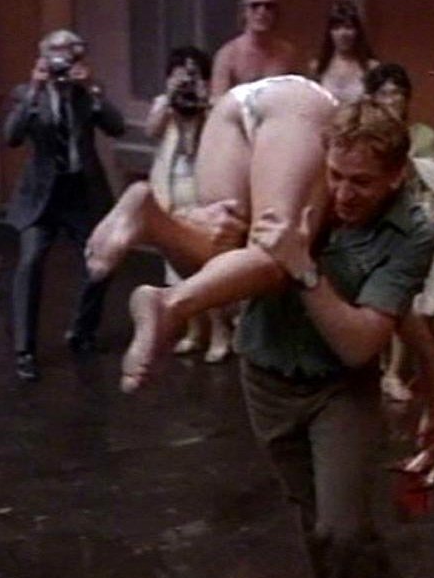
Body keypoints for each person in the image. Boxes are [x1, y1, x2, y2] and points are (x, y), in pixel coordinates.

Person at [241, 101, 434, 578]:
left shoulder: (412, 232)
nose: (344, 194)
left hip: (340, 387)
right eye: (336, 176)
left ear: (395, 176)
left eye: (362, 182)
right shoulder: (304, 184)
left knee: (341, 529)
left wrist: (304, 269)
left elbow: (361, 344)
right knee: (319, 525)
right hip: (267, 376)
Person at [85, 74, 338, 392]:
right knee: (281, 252)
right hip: (298, 106)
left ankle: (153, 218)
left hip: (233, 108)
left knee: (222, 253)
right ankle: (169, 303)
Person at [4, 29, 125, 381]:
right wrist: (35, 90)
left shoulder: (86, 92)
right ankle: (24, 350)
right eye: (55, 53)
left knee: (101, 262)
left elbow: (116, 127)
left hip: (80, 191)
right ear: (43, 57)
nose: (61, 61)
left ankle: (82, 331)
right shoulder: (27, 93)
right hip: (41, 195)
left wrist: (93, 90)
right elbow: (11, 137)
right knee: (30, 262)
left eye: (69, 54)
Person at [364, 63, 434, 409]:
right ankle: (380, 364)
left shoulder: (424, 136)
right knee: (375, 297)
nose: (392, 99)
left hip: (410, 223)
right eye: (384, 93)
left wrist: (411, 163)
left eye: (397, 92)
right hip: (373, 223)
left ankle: (394, 372)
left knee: (404, 299)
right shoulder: (367, 135)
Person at [145, 45, 232, 364]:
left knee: (208, 267)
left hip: (202, 190)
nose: (186, 80)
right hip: (171, 192)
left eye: (193, 73)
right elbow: (152, 131)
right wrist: (170, 99)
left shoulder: (214, 107)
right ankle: (195, 331)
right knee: (179, 270)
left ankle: (221, 332)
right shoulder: (163, 104)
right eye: (178, 72)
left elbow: (221, 136)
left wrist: (206, 103)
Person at [209, 0, 297, 99]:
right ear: (244, 11)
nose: (262, 11)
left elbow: (294, 96)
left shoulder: (286, 54)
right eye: (255, 6)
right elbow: (218, 102)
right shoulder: (228, 56)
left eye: (269, 6)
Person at [309, 0, 379, 104]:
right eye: (336, 28)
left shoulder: (371, 68)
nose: (343, 34)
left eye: (348, 27)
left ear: (357, 32)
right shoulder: (318, 67)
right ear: (330, 33)